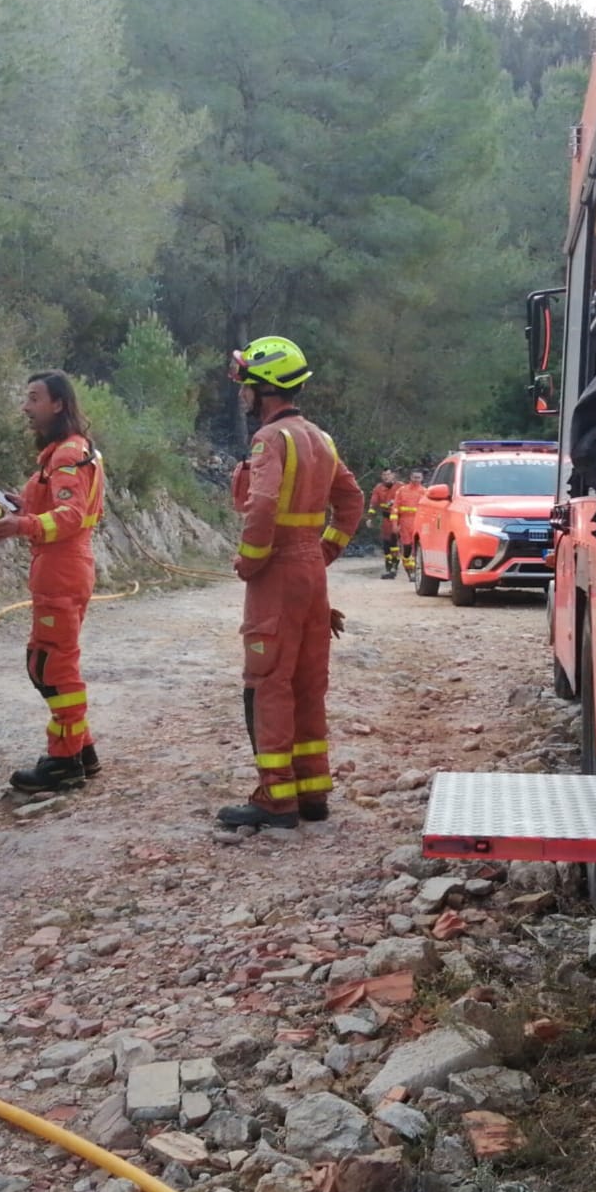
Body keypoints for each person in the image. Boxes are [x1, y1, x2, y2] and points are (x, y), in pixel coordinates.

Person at [222, 335, 364, 830]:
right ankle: (312, 791)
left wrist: (250, 559)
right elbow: (352, 501)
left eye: (246, 385)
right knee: (307, 683)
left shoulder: (269, 440)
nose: (242, 394)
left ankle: (275, 799)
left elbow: (261, 506)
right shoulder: (320, 439)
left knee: (268, 683)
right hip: (309, 574)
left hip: (278, 572)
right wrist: (323, 550)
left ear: (265, 389)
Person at [0, 371, 107, 793]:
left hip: (62, 568)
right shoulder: (66, 451)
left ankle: (65, 760)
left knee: (53, 667)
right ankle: (81, 750)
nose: (26, 407)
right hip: (61, 567)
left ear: (57, 404)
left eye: (34, 398)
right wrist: (21, 504)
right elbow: (61, 505)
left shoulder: (68, 454)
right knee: (49, 661)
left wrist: (20, 524)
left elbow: (69, 517)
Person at [393, 468, 429, 578]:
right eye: (414, 477)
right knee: (407, 547)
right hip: (405, 523)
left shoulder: (425, 492)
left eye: (418, 477)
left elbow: (428, 510)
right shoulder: (402, 491)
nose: (416, 480)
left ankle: (414, 571)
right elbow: (395, 508)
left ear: (422, 478)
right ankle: (408, 569)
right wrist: (395, 524)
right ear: (410, 477)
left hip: (419, 523)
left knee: (417, 548)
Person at [369, 469, 401, 580]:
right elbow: (373, 504)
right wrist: (370, 518)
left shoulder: (401, 487)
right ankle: (389, 568)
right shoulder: (378, 489)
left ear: (394, 476)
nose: (386, 477)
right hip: (387, 519)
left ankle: (396, 567)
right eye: (384, 475)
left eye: (388, 474)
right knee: (387, 544)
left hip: (399, 520)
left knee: (396, 543)